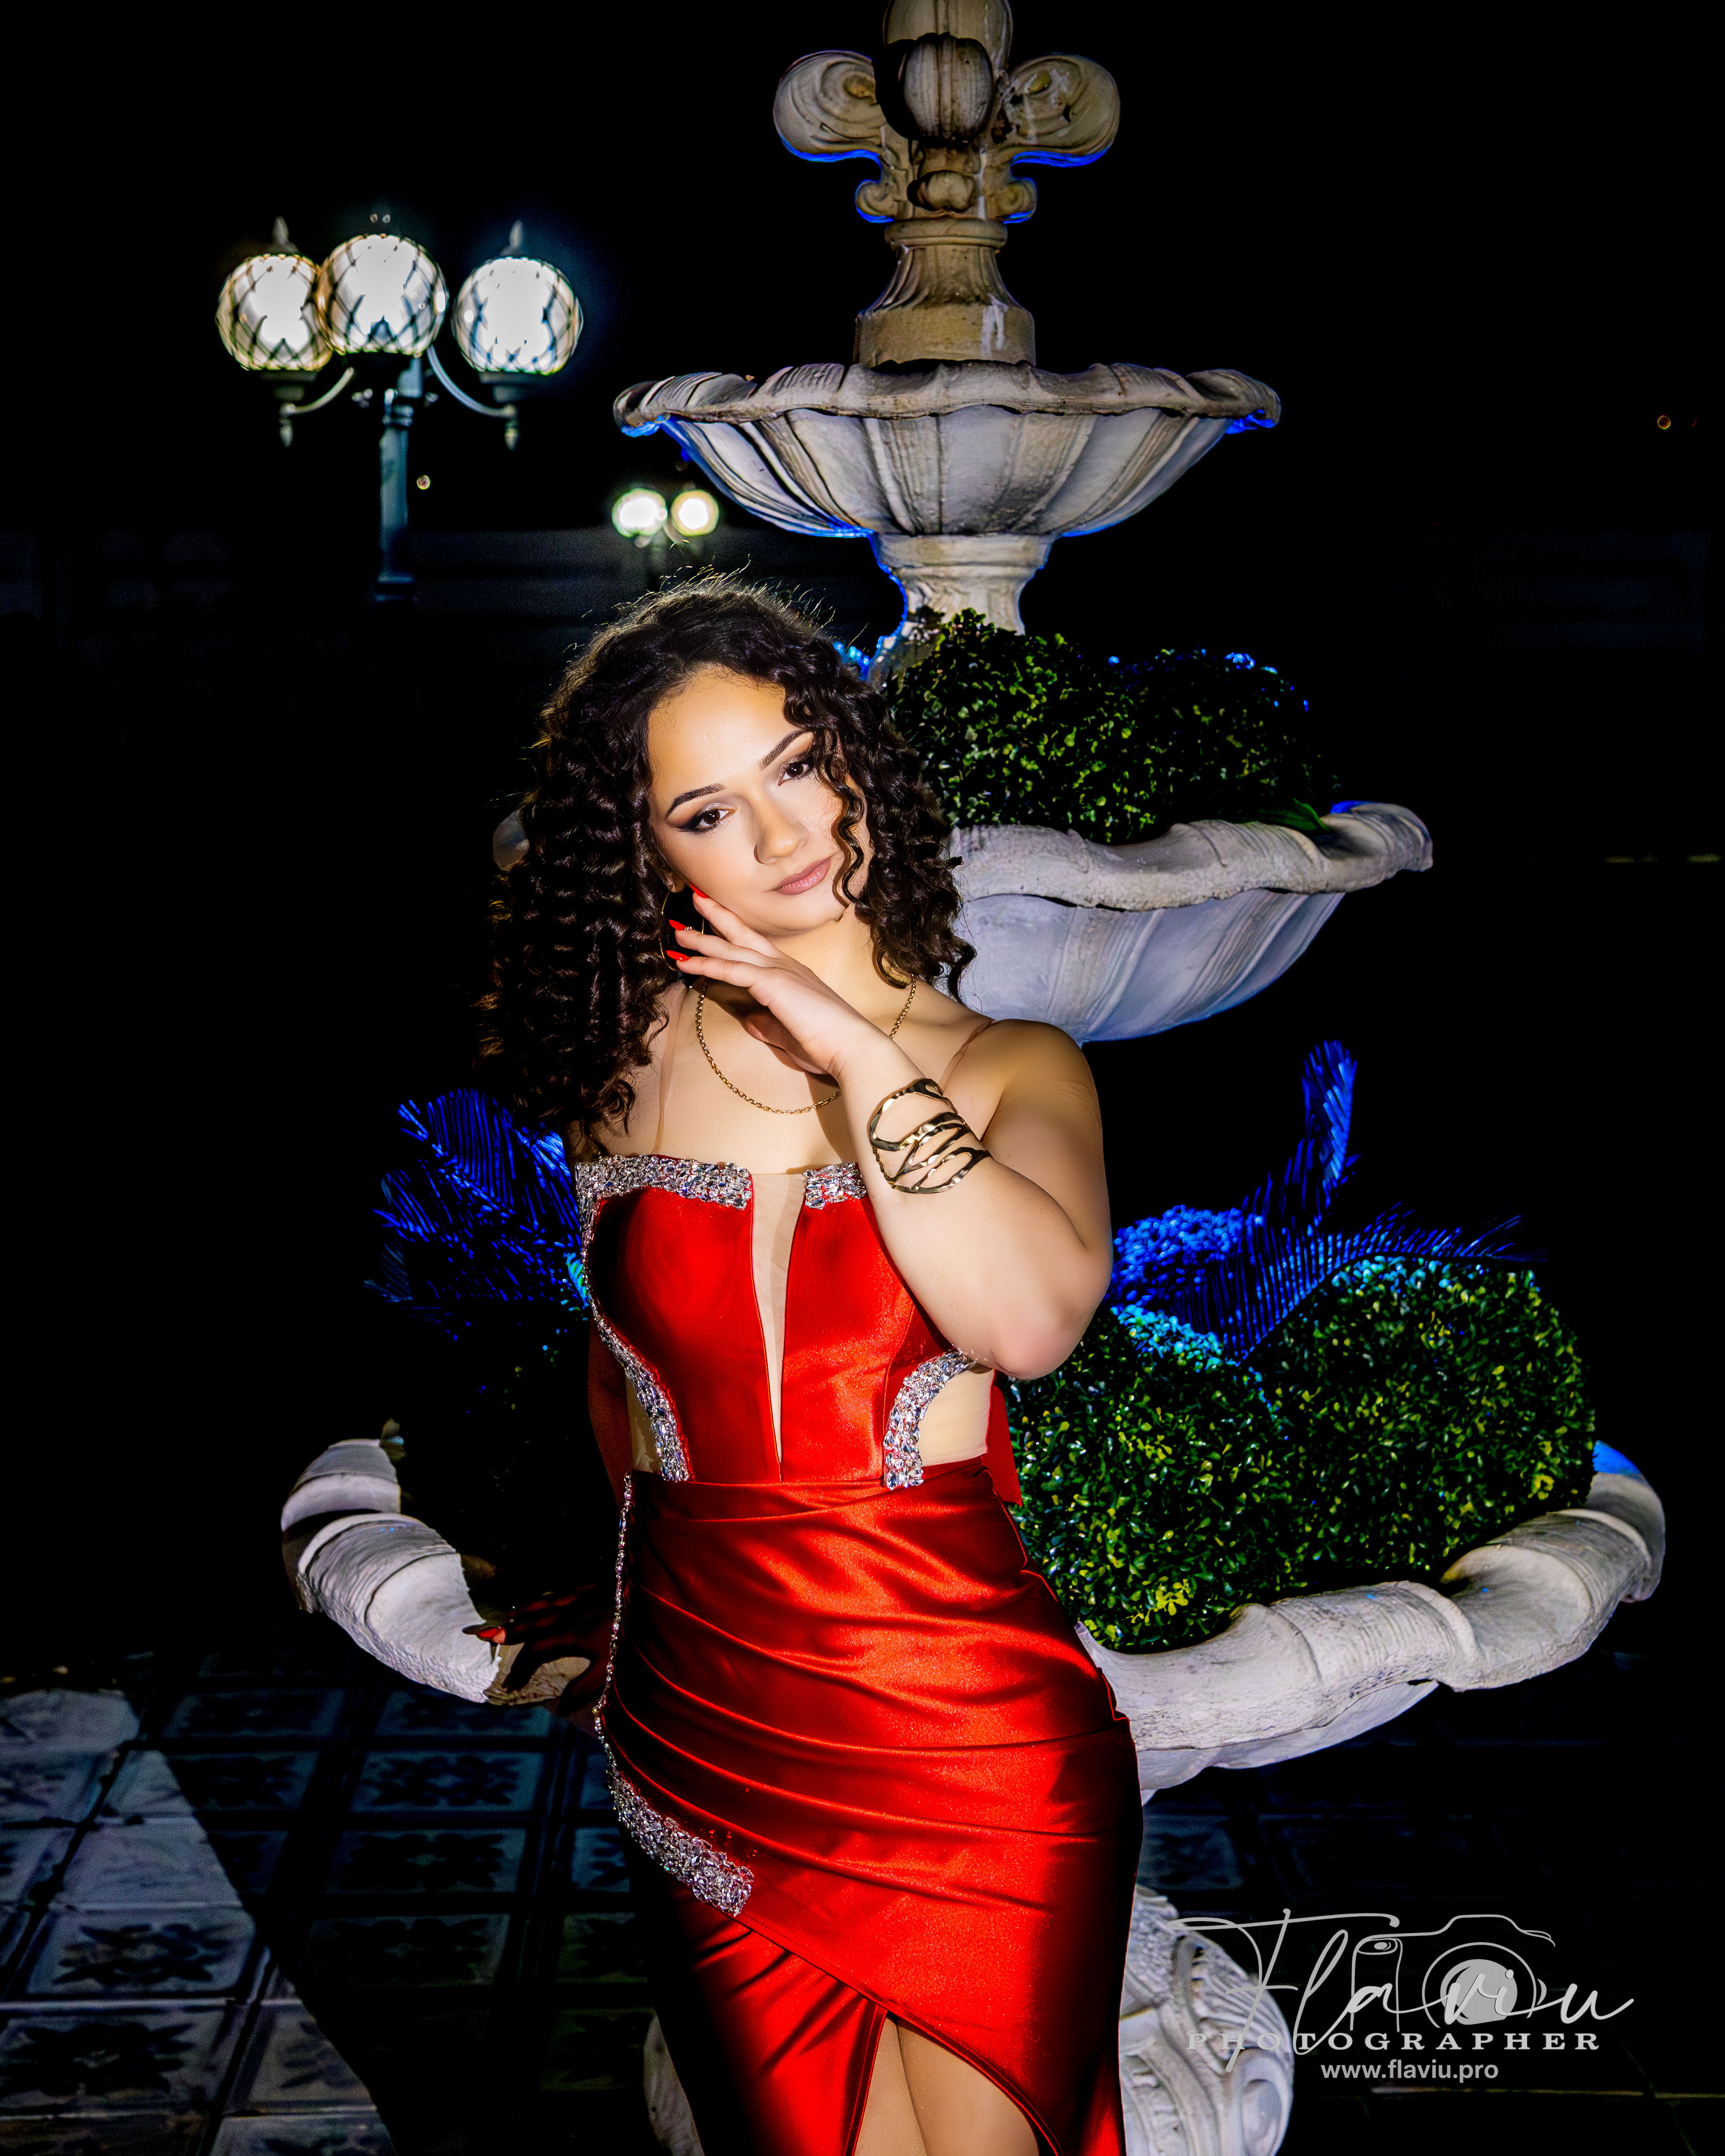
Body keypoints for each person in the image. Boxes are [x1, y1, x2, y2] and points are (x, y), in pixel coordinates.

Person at [481, 580, 1141, 2156]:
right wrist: (618, 1613)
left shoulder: (1011, 1067)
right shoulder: (618, 1077)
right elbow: (624, 1393)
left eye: (796, 764)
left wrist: (851, 1043)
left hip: (976, 1745)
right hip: (709, 1738)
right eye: (709, 810)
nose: (782, 832)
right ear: (653, 855)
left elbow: (1028, 1327)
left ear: (851, 757)